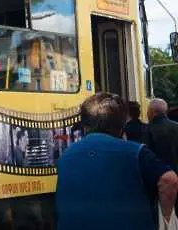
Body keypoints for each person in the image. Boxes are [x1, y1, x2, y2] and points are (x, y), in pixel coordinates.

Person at [56, 93, 178, 230]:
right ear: (122, 126)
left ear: (84, 125)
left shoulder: (65, 157)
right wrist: (166, 218)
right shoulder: (136, 153)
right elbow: (169, 180)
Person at [147, 98, 178, 172]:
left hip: (159, 176)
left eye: (148, 111)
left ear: (152, 112)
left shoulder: (147, 129)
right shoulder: (176, 126)